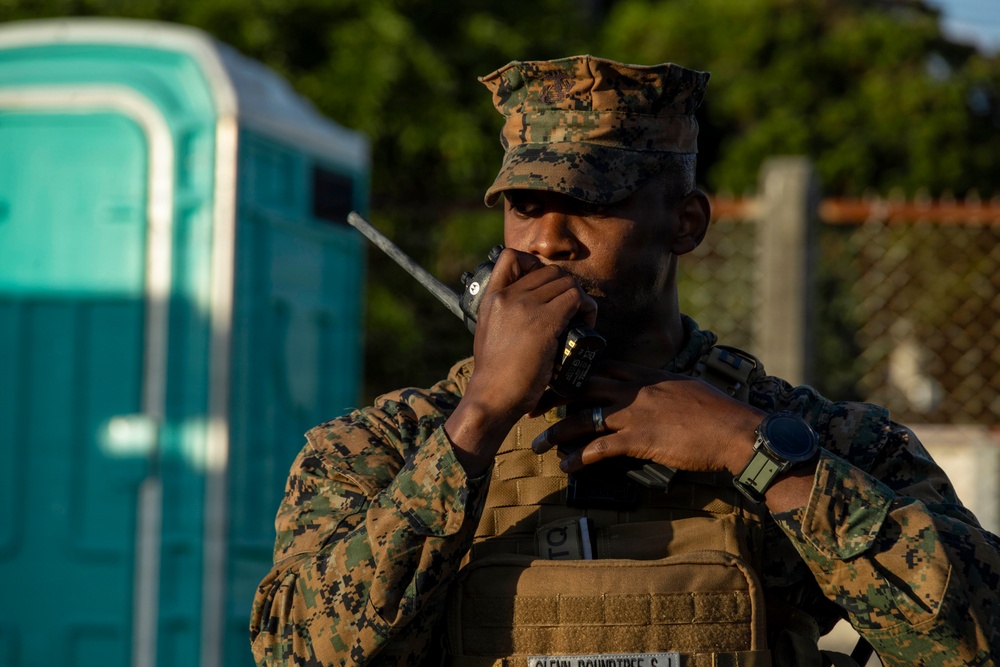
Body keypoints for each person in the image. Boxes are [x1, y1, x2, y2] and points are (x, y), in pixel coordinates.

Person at [249, 55, 999, 667]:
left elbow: (977, 637)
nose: (548, 239)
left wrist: (756, 455)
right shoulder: (382, 447)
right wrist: (476, 424)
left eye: (591, 202)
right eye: (526, 204)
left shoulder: (806, 435)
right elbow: (299, 653)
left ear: (685, 221)